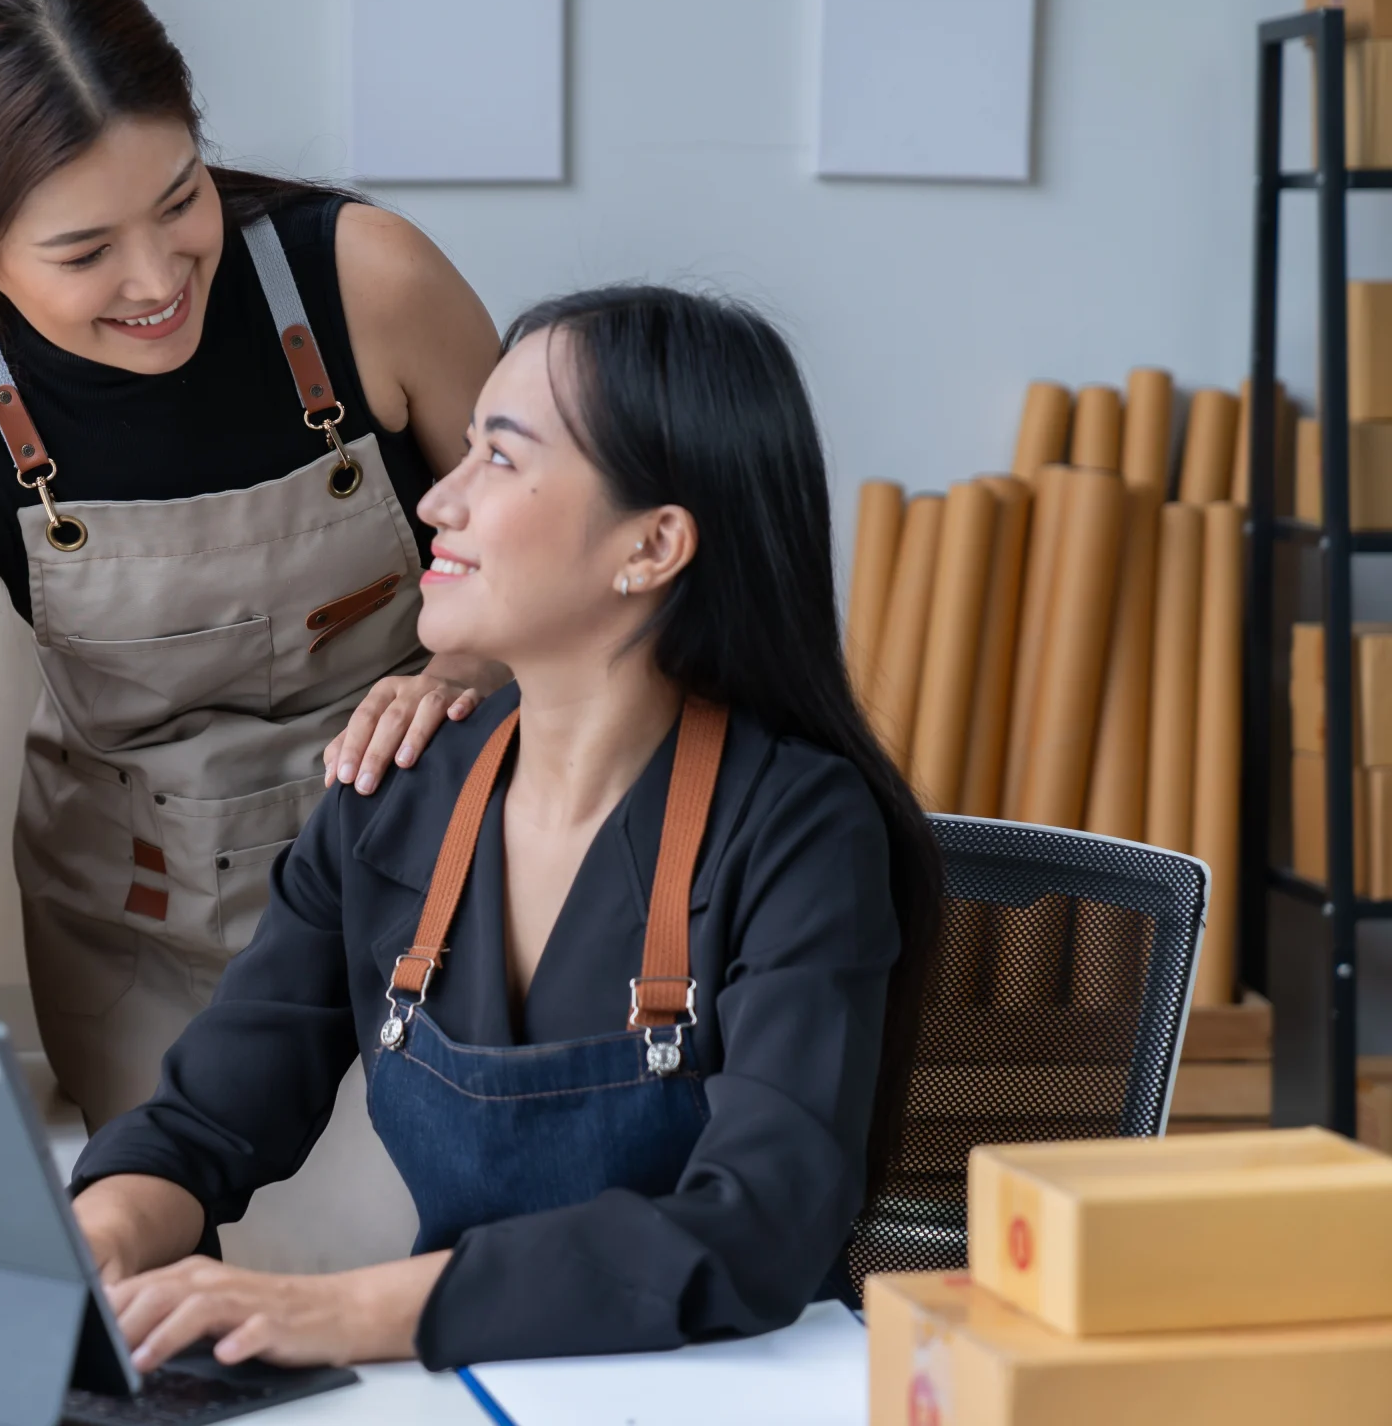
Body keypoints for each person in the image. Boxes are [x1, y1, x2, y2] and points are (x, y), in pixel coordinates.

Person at [65, 285, 944, 1370]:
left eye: (502, 457)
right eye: (465, 447)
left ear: (654, 544)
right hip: (473, 1386)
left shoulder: (799, 827)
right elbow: (203, 1125)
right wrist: (97, 1235)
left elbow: (763, 1222)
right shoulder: (392, 792)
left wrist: (342, 1311)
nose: (440, 500)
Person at [0, 0, 506, 1129]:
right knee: (235, 1232)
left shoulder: (369, 284)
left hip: (441, 898)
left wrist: (467, 669)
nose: (158, 275)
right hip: (157, 956)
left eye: (181, 197)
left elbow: (580, 583)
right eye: (83, 254)